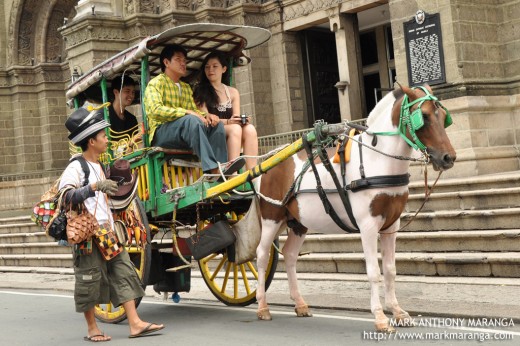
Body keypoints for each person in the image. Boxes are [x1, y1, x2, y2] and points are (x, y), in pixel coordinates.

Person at [60, 107, 164, 342]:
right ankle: (92, 329)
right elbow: (65, 197)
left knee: (124, 271)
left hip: (106, 232)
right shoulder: (76, 167)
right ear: (91, 140)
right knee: (89, 279)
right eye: (103, 136)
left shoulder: (99, 166)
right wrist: (94, 188)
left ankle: (135, 323)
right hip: (87, 235)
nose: (107, 139)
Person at [143, 44, 244, 175]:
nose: (183, 63)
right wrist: (185, 112)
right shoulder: (156, 83)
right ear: (166, 62)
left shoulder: (185, 87)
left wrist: (207, 116)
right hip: (161, 133)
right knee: (191, 120)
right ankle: (212, 169)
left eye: (184, 60)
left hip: (184, 132)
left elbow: (194, 112)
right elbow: (155, 111)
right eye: (178, 59)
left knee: (216, 125)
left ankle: (222, 168)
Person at [194, 52, 258, 170]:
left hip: (230, 128)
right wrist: (230, 122)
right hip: (212, 130)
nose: (210, 70)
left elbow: (235, 117)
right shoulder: (199, 91)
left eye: (215, 66)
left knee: (250, 129)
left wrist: (242, 120)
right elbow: (206, 118)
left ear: (224, 69)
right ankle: (231, 171)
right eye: (207, 67)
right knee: (235, 128)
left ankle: (252, 174)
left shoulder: (233, 92)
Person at [109, 75, 142, 153]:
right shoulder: (105, 116)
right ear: (116, 92)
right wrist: (130, 144)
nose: (131, 95)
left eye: (133, 92)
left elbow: (136, 145)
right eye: (127, 91)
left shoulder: (132, 119)